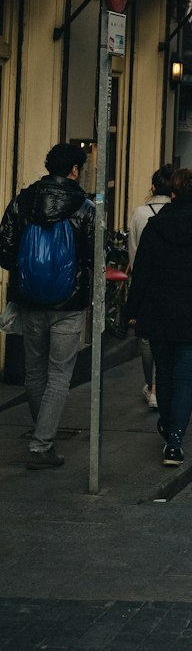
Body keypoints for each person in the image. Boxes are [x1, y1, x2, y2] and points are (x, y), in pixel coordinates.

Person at [0, 142, 95, 469]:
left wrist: (27, 273)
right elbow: (95, 256)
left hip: (30, 300)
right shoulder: (84, 207)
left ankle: (43, 434)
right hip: (69, 303)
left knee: (35, 371)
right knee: (59, 374)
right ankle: (42, 445)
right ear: (73, 170)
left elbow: (4, 250)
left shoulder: (23, 201)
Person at [126, 168, 192, 467]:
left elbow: (142, 274)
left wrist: (130, 311)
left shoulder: (156, 228)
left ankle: (168, 424)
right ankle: (174, 443)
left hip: (158, 311)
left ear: (172, 193)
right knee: (185, 378)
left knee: (166, 375)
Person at [127, 163, 173, 410]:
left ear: (153, 186)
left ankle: (150, 384)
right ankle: (159, 385)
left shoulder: (139, 213)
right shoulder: (177, 212)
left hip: (146, 283)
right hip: (171, 283)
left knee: (145, 338)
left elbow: (133, 251)